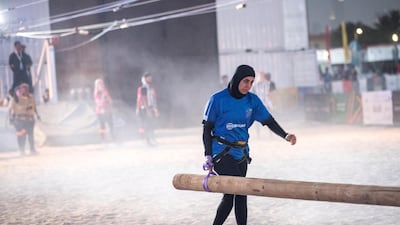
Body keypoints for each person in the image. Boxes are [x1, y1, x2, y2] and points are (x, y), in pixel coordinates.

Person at [202, 65, 296, 225]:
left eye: (252, 82)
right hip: (220, 153)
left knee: (234, 194)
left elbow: (269, 121)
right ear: (237, 79)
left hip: (241, 154)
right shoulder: (217, 99)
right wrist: (208, 155)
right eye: (245, 81)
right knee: (240, 189)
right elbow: (207, 129)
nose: (248, 85)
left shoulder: (252, 101)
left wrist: (285, 135)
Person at [8, 83, 41, 155]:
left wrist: (37, 115)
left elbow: (33, 107)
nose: (25, 90)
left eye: (27, 89)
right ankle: (21, 150)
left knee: (31, 135)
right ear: (21, 90)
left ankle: (32, 150)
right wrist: (10, 118)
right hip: (19, 121)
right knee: (21, 136)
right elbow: (11, 109)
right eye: (24, 89)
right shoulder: (15, 99)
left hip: (30, 120)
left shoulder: (31, 97)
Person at [136, 72, 159, 146]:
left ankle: (151, 139)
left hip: (151, 107)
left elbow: (153, 99)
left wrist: (155, 109)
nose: (150, 78)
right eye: (148, 77)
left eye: (150, 77)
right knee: (146, 125)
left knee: (151, 124)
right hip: (145, 108)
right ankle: (147, 140)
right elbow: (144, 99)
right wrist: (147, 110)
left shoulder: (151, 88)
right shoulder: (143, 88)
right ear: (145, 79)